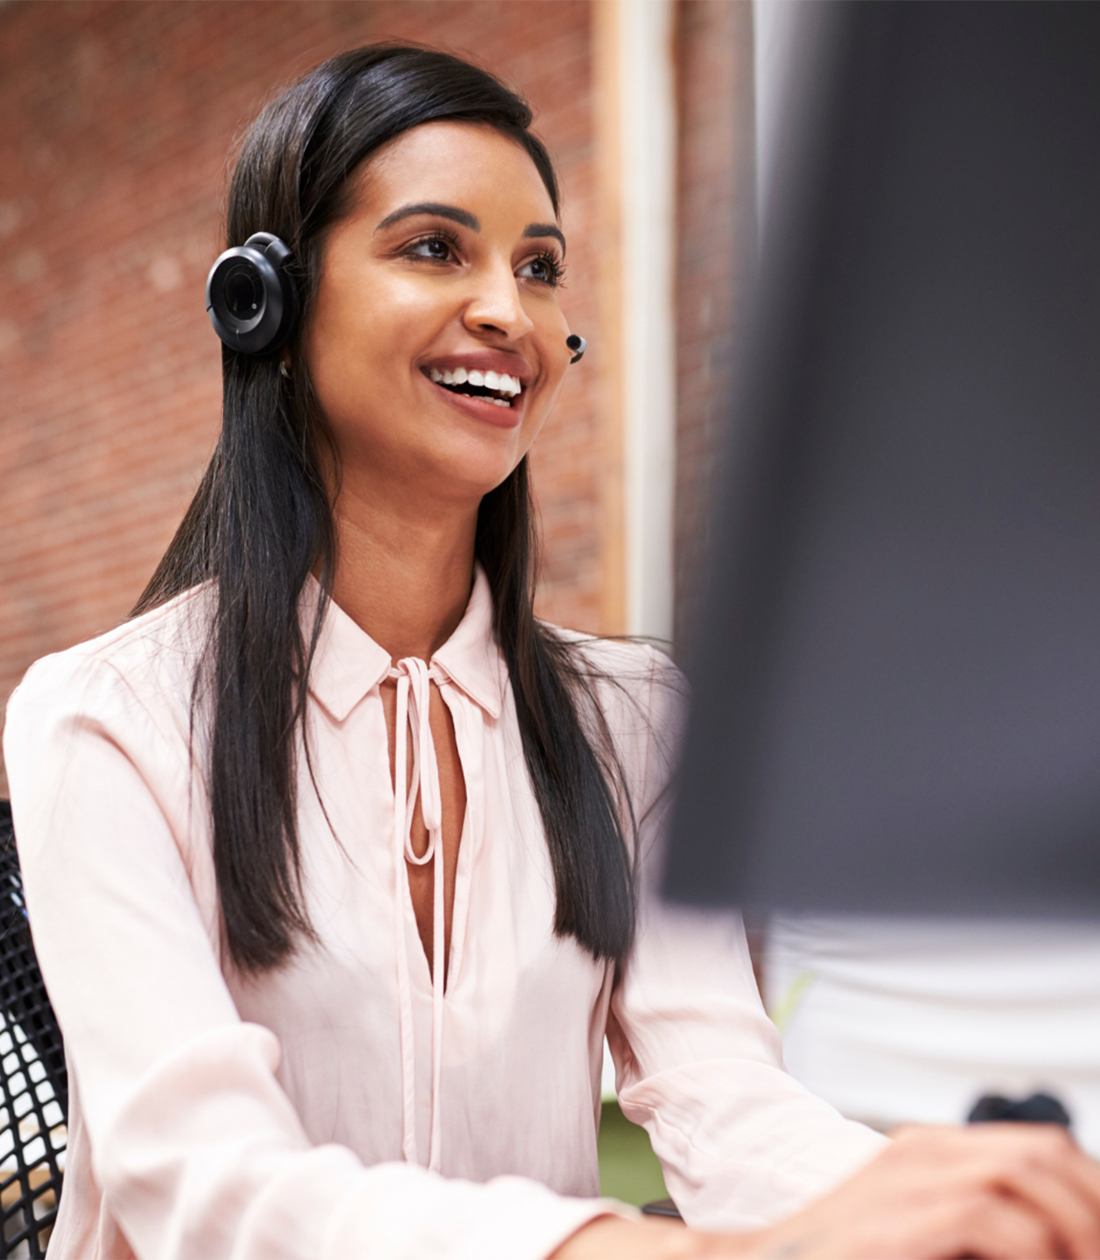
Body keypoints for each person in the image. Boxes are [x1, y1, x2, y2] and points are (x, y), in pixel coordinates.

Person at [7, 44, 1100, 1260]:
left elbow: (719, 1099)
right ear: (267, 300)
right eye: (435, 248)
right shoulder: (105, 718)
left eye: (538, 268)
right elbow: (204, 1187)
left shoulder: (629, 720)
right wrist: (649, 1252)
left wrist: (941, 1214)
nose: (506, 311)